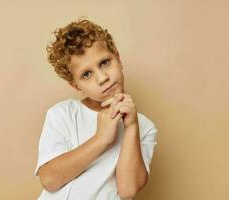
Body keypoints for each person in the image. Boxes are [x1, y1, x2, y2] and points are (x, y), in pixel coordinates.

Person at [34, 18, 158, 200]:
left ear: (118, 58)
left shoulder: (145, 127)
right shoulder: (62, 114)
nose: (102, 78)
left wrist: (131, 127)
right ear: (76, 86)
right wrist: (101, 139)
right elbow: (50, 180)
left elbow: (128, 190)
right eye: (86, 74)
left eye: (105, 62)